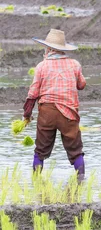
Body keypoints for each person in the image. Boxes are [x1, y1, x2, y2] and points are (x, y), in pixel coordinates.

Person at [24, 29, 86, 176]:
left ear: (49, 49)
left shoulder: (41, 66)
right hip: (68, 113)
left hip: (47, 113)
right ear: (63, 49)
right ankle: (81, 182)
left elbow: (33, 93)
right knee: (75, 150)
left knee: (40, 150)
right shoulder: (74, 64)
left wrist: (27, 114)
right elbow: (82, 85)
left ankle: (36, 182)